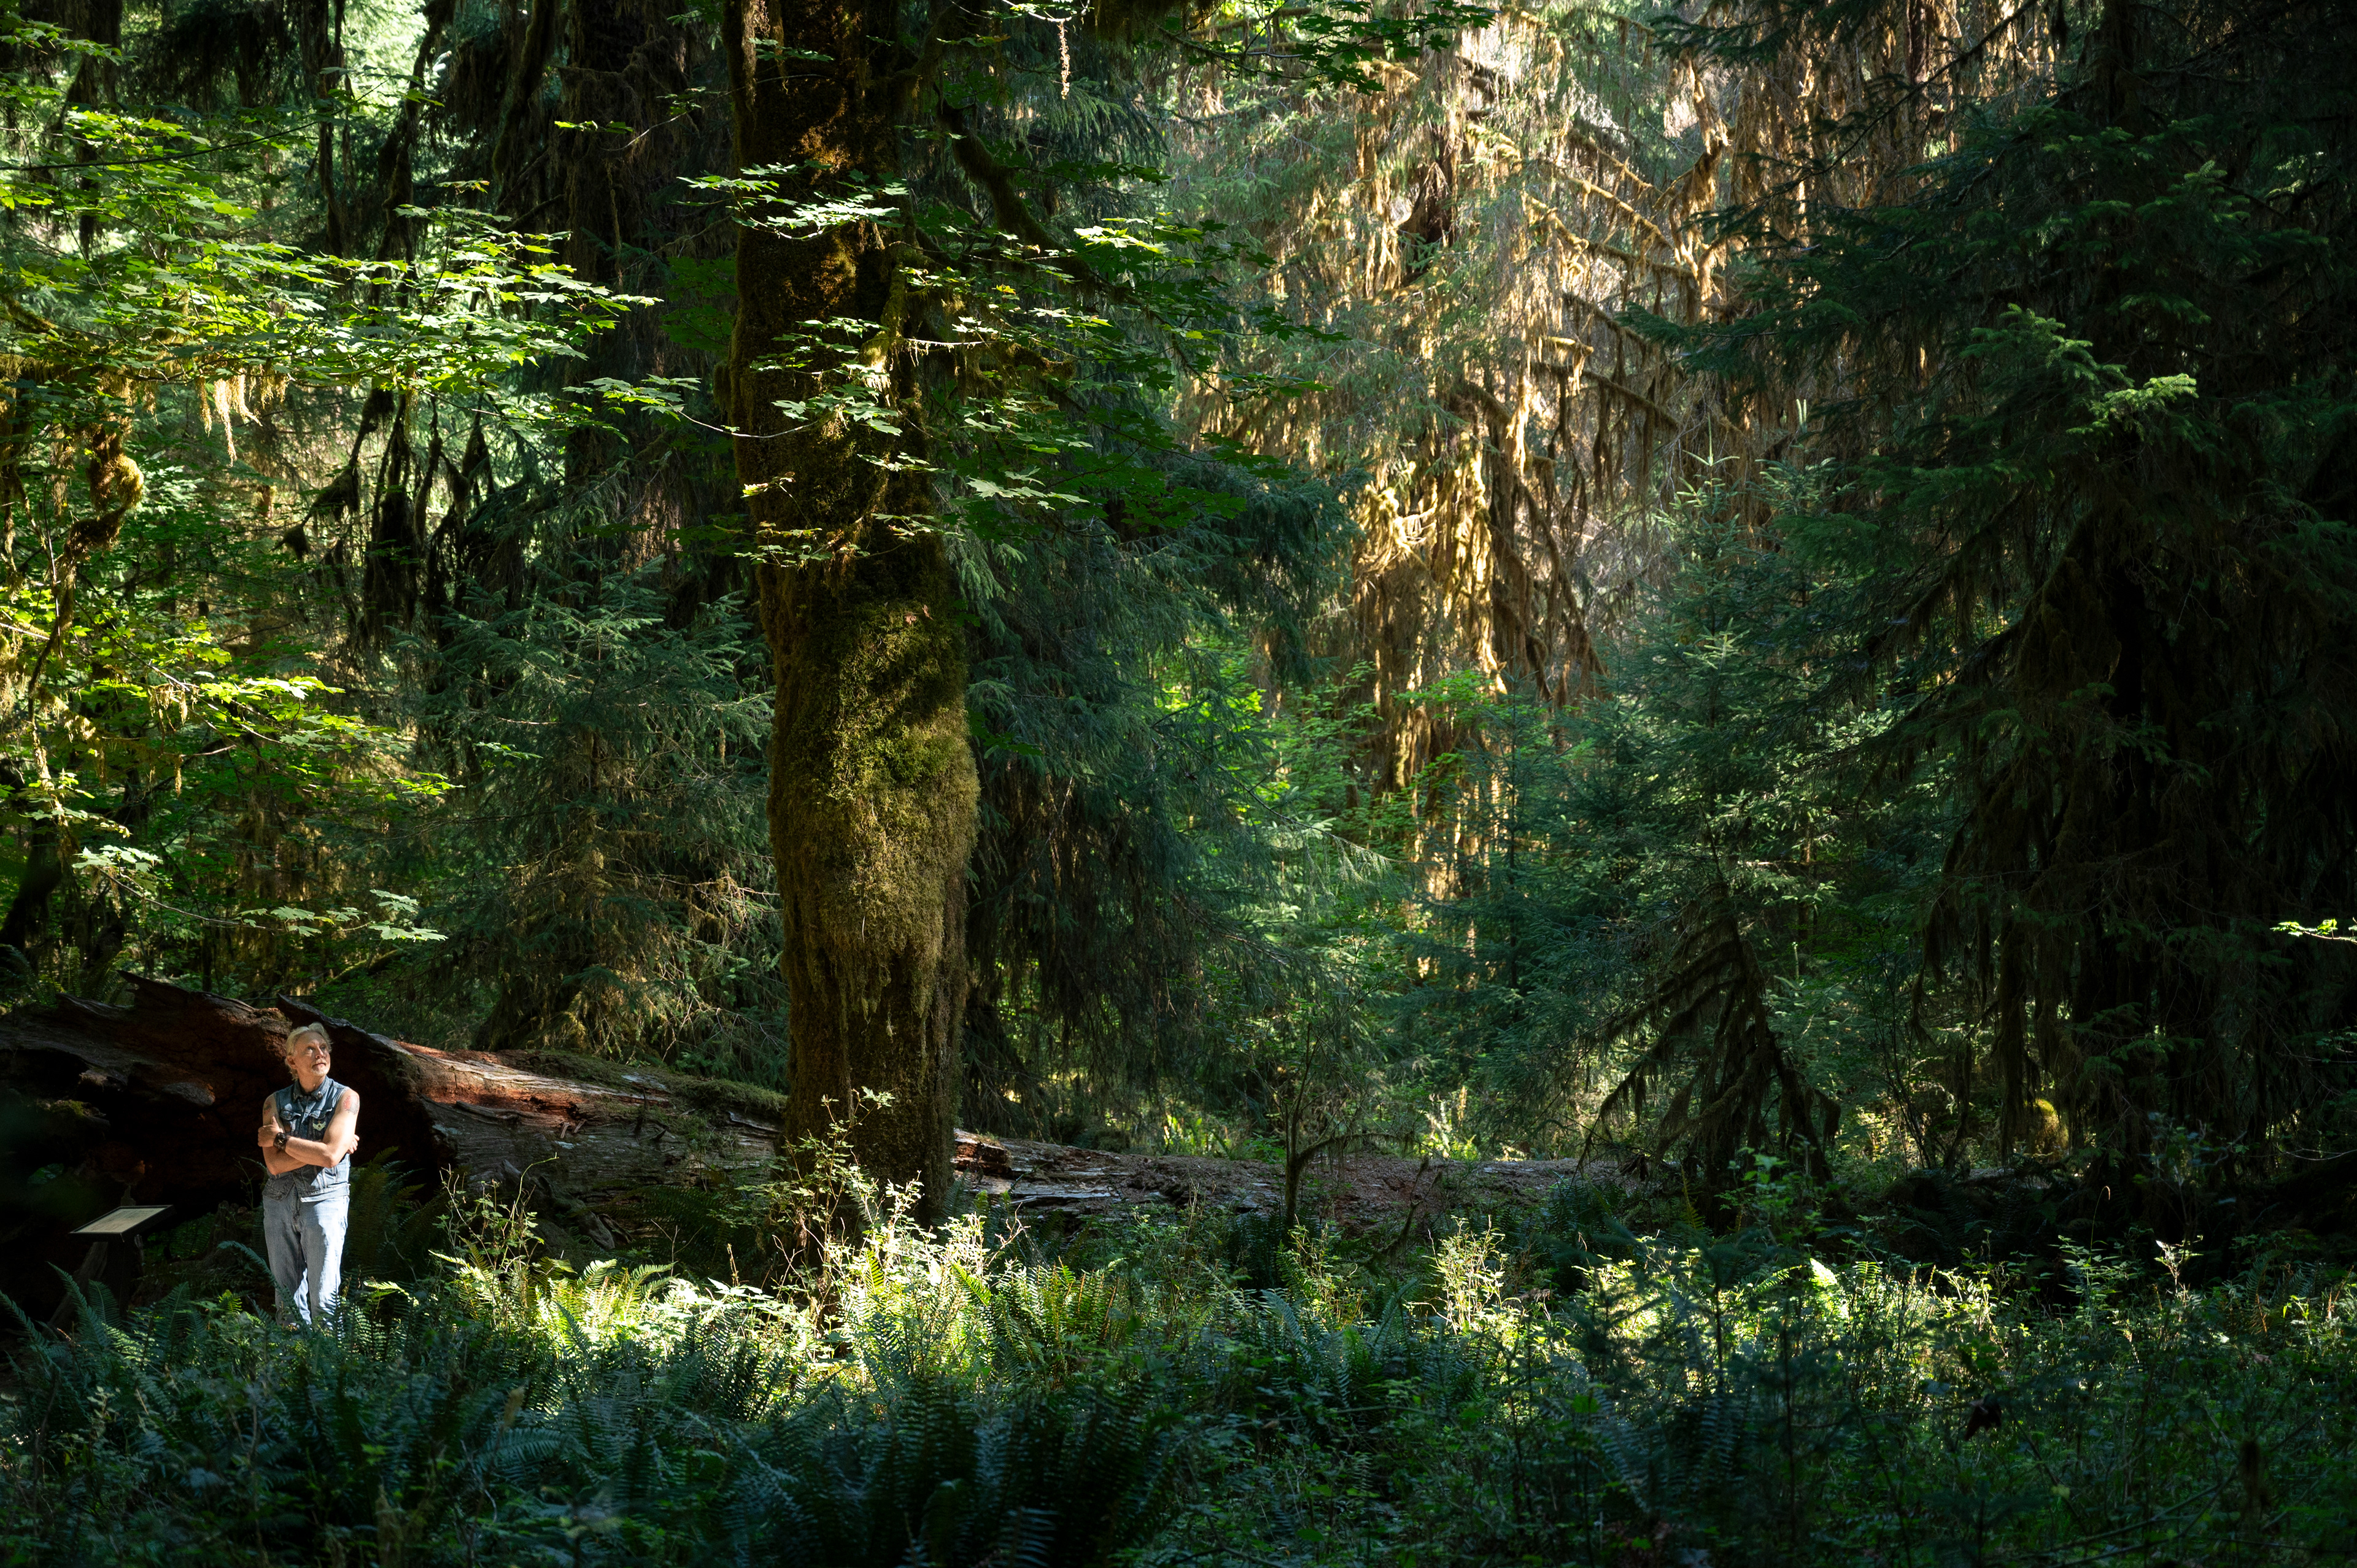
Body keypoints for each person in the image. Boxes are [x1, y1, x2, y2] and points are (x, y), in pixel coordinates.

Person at [256, 1024, 361, 1326]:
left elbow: (328, 1158)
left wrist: (281, 1140)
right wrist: (326, 1149)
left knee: (324, 1300)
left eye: (324, 1048)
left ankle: (328, 1370)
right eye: (310, 1050)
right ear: (292, 1062)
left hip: (324, 1203)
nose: (320, 1054)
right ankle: (291, 1371)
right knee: (286, 1303)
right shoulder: (273, 1103)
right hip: (278, 1203)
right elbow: (274, 1166)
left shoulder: (346, 1098)